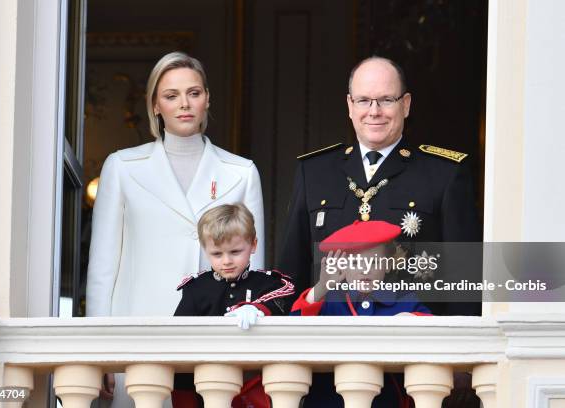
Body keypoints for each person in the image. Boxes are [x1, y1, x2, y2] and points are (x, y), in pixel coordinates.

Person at [86, 52, 265, 407]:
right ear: (155, 104)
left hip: (213, 343)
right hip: (136, 337)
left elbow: (253, 273)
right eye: (171, 95)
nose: (184, 104)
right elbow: (103, 269)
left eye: (194, 93)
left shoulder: (241, 172)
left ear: (207, 99)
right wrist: (98, 351)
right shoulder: (122, 167)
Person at [277, 56, 481, 315]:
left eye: (386, 100)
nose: (374, 111)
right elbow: (290, 272)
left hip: (414, 346)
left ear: (405, 105)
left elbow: (465, 281)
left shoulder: (444, 174)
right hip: (329, 344)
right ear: (350, 105)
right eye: (363, 100)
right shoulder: (314, 172)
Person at [290, 220, 430, 408]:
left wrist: (411, 319)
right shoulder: (330, 300)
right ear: (342, 267)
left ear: (388, 265)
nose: (365, 269)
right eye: (355, 262)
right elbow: (294, 326)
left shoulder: (403, 299)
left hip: (385, 400)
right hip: (329, 400)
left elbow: (433, 328)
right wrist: (322, 287)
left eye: (373, 261)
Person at [174, 203, 294, 408]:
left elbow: (284, 298)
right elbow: (179, 340)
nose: (227, 261)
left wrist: (257, 308)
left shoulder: (269, 284)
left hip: (255, 387)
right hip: (206, 389)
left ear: (253, 244)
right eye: (217, 254)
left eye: (235, 251)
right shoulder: (197, 288)